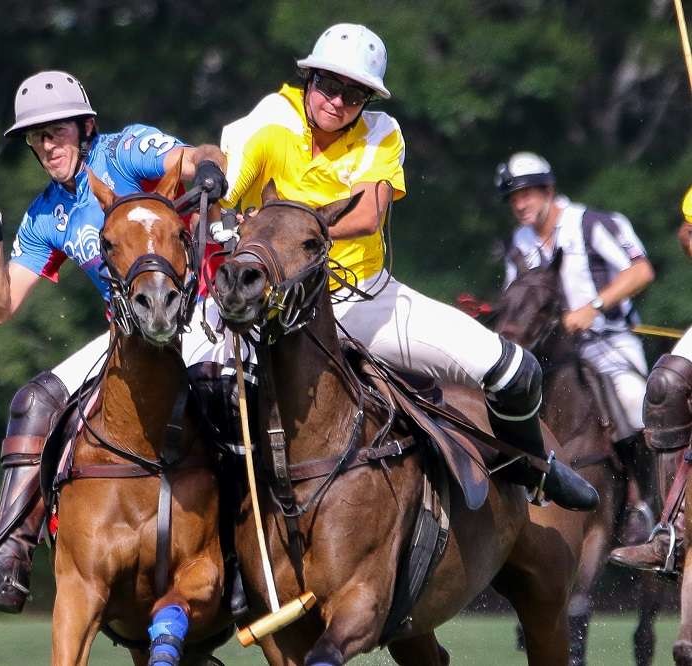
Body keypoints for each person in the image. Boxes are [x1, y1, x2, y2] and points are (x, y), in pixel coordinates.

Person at [219, 23, 598, 511]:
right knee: (192, 391)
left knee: (514, 371)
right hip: (260, 305)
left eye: (354, 94)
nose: (337, 101)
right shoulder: (272, 119)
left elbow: (367, 214)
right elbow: (225, 186)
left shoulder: (381, 131)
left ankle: (527, 467)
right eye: (329, 85)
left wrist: (295, 234)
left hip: (360, 299)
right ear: (309, 79)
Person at [0, 70, 227, 612]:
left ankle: (251, 551)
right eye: (36, 138)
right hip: (131, 339)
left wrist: (208, 169)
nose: (46, 146)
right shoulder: (46, 213)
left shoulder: (126, 151)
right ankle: (4, 560)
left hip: (206, 312)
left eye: (56, 131)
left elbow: (197, 155)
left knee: (223, 400)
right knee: (33, 401)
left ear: (86, 127)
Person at [498, 151, 655, 452]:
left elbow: (641, 271)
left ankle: (648, 495)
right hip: (547, 355)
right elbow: (515, 297)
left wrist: (592, 307)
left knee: (634, 401)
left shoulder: (592, 223)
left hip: (607, 342)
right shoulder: (518, 243)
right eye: (512, 198)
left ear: (548, 190)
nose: (519, 205)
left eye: (526, 195)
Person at [610, 186, 692, 573]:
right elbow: (686, 230)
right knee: (664, 386)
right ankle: (670, 532)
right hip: (584, 343)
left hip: (608, 341)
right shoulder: (520, 244)